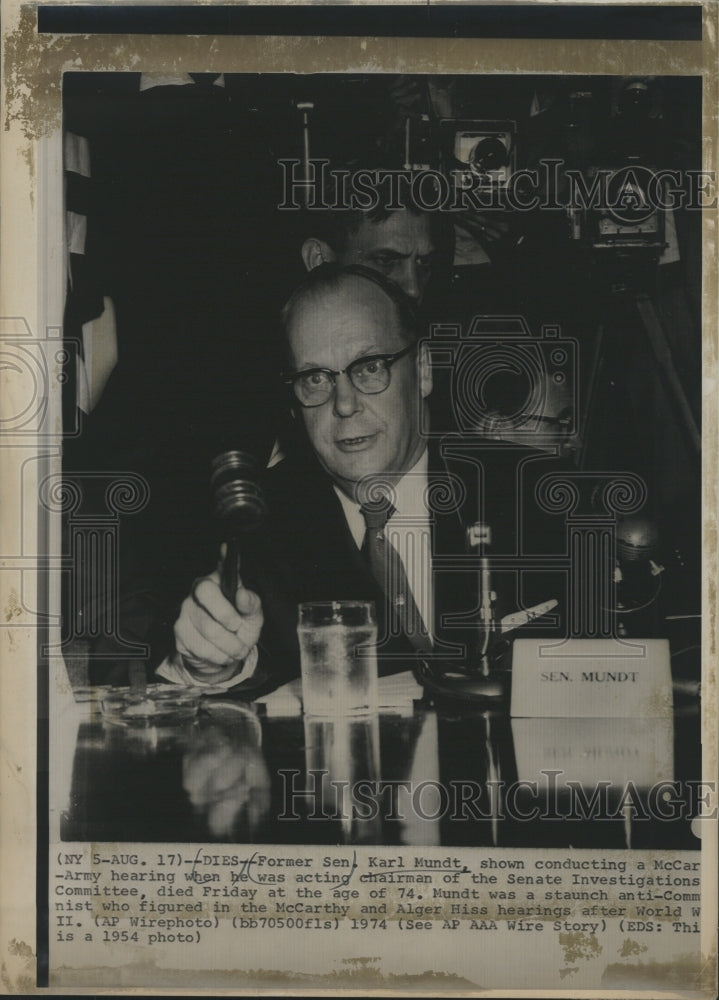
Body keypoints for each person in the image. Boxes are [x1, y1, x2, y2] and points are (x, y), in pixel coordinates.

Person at [161, 264, 566, 695]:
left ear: (424, 369)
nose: (345, 404)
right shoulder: (255, 526)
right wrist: (210, 667)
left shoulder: (542, 494)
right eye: (315, 378)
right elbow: (224, 691)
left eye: (370, 366)